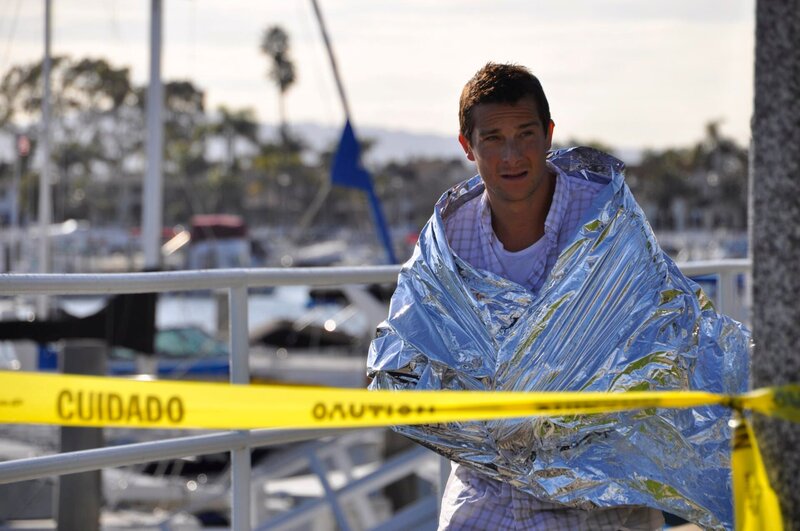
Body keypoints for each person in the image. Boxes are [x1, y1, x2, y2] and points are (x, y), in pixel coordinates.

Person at [368, 62, 746, 530]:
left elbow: (662, 335)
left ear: (548, 134)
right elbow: (401, 367)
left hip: (603, 489)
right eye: (493, 139)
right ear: (468, 146)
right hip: (490, 490)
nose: (512, 155)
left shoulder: (601, 216)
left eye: (525, 134)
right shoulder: (447, 239)